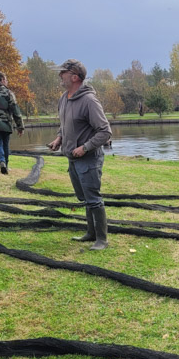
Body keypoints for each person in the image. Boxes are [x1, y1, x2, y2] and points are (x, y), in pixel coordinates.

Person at [45, 59, 112, 250]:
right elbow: (66, 125)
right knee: (83, 198)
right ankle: (90, 233)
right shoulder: (64, 98)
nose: (60, 76)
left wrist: (85, 147)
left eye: (63, 73)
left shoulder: (89, 101)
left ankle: (102, 240)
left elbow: (105, 131)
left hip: (88, 158)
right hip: (72, 159)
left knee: (93, 198)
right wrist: (59, 138)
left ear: (74, 77)